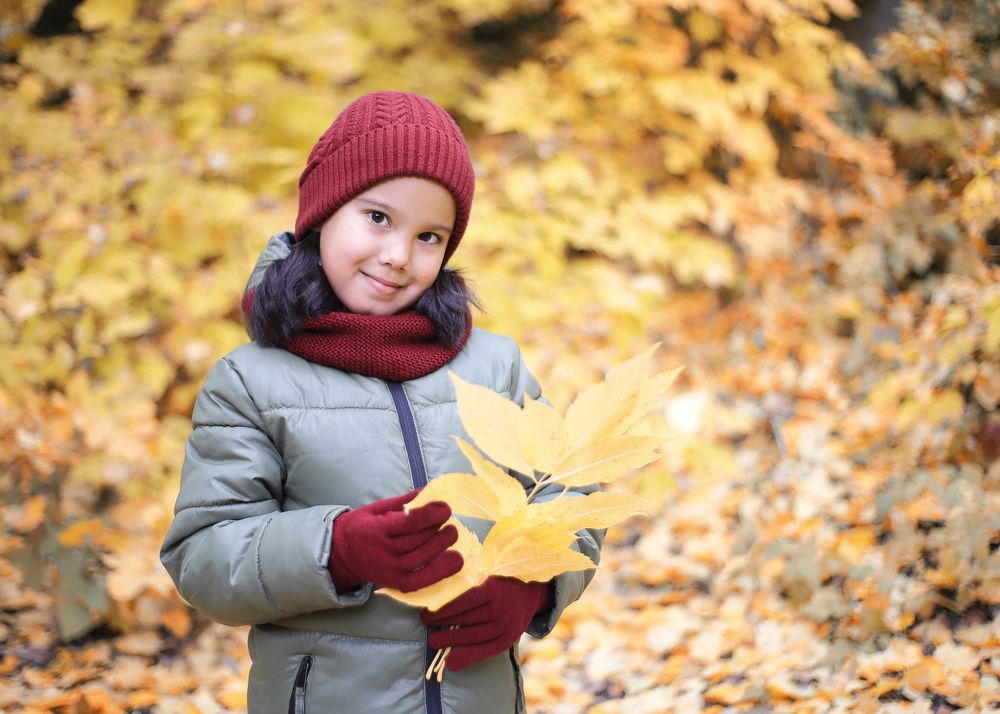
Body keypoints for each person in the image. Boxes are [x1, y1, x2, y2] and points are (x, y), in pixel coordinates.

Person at [160, 90, 603, 713]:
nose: (398, 256)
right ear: (324, 211)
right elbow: (203, 556)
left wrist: (531, 584)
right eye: (377, 218)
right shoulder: (251, 382)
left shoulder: (493, 366)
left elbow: (568, 489)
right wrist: (335, 549)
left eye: (429, 235)